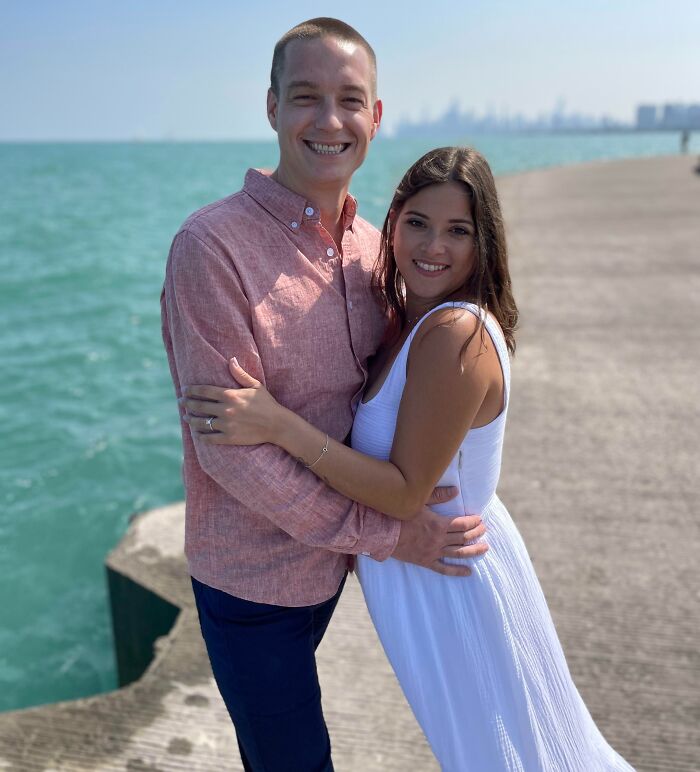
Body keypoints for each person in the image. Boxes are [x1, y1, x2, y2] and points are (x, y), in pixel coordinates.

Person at [181, 146, 636, 772]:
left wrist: (277, 423)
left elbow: (402, 495)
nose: (434, 246)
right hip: (424, 574)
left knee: (505, 759)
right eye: (418, 222)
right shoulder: (412, 319)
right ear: (391, 224)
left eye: (459, 231)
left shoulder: (453, 334)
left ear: (486, 244)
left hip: (449, 577)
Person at [161, 18, 488, 772]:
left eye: (350, 100)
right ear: (271, 107)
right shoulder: (209, 248)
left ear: (376, 117)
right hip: (251, 579)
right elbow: (230, 458)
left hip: (336, 569)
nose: (328, 120)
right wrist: (390, 534)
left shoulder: (379, 248)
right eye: (306, 96)